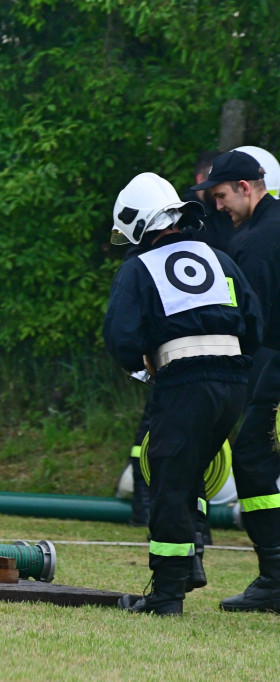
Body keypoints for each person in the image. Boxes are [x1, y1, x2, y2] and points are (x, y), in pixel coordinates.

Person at [104, 171, 262, 615]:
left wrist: (146, 368)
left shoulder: (138, 268)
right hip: (234, 384)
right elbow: (253, 322)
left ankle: (166, 594)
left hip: (184, 384)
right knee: (192, 476)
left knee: (169, 483)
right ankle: (190, 561)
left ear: (137, 223)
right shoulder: (219, 258)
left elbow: (120, 338)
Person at [192, 149, 280, 613]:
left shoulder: (256, 242)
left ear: (246, 187)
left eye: (222, 196)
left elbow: (248, 323)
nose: (219, 206)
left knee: (253, 458)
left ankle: (275, 578)